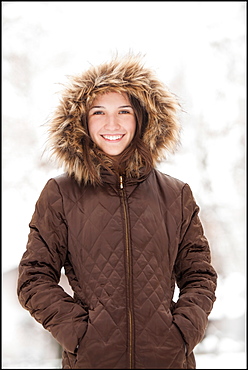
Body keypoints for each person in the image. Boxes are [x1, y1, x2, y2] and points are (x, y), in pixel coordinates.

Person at [17, 54, 218, 369]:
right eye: (99, 112)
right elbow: (33, 278)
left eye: (124, 111)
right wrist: (80, 336)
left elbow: (199, 275)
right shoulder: (61, 194)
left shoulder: (176, 195)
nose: (112, 124)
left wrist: (181, 334)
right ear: (82, 121)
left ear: (142, 118)